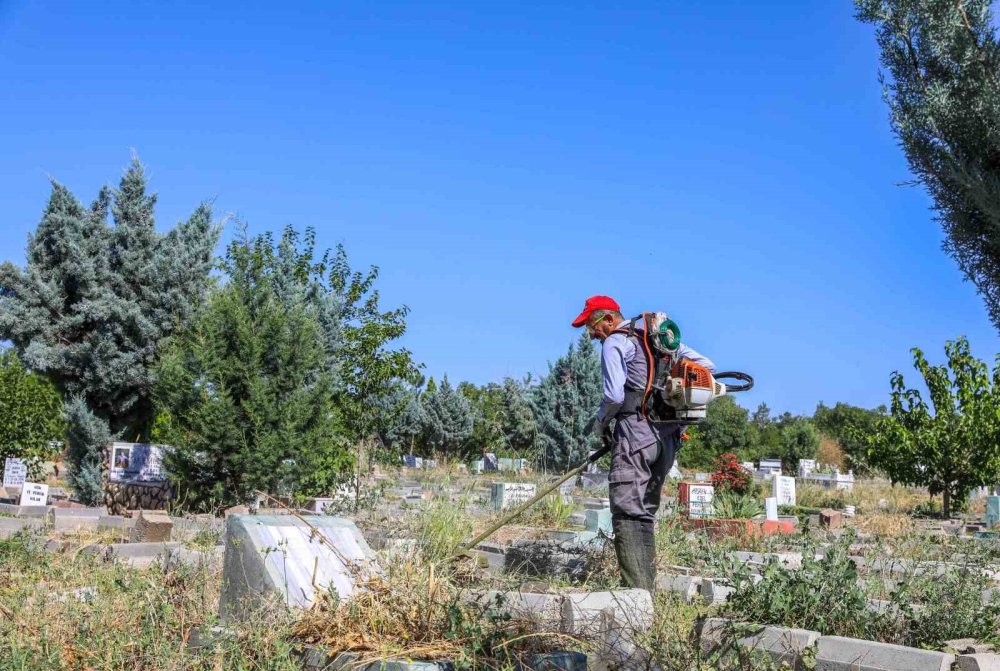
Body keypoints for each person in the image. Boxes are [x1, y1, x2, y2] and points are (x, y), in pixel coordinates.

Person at [572, 295, 715, 590]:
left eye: (591, 326)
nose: (590, 334)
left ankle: (635, 594)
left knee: (627, 509)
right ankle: (645, 590)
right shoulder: (661, 340)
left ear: (608, 319)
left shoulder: (615, 342)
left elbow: (614, 396)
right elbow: (706, 366)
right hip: (667, 438)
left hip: (635, 433)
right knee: (645, 511)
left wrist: (600, 425)